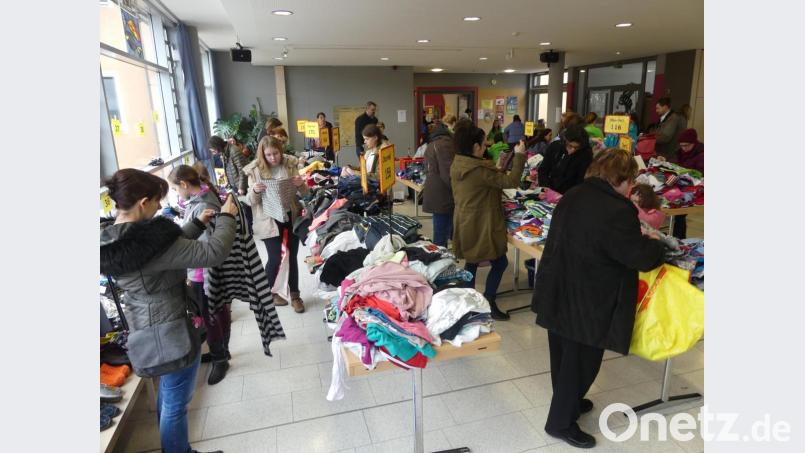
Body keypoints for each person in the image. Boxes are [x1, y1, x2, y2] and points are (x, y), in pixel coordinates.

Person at [531, 148, 666, 449]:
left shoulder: (573, 194)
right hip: (589, 298)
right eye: (630, 180)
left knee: (563, 356)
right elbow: (638, 257)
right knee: (582, 362)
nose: (631, 186)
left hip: (559, 288)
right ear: (621, 178)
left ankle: (570, 401)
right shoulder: (617, 210)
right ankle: (560, 423)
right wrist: (655, 244)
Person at [100, 168, 237, 453]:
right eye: (157, 200)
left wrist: (196, 225)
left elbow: (159, 251)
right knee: (176, 403)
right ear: (143, 202)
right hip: (172, 334)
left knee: (169, 394)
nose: (160, 206)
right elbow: (213, 253)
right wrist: (227, 217)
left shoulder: (114, 241)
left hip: (148, 328)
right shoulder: (146, 243)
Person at [451, 119, 527, 321]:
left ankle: (469, 304)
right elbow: (512, 181)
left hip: (467, 221)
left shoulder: (459, 162)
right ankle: (488, 301)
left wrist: (497, 169)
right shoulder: (479, 170)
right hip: (482, 223)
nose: (486, 147)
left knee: (472, 262)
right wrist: (520, 156)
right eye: (484, 144)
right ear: (475, 146)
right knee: (500, 262)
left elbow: (484, 182)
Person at [168, 165, 232, 385]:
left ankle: (220, 358)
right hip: (207, 269)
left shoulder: (202, 204)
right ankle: (221, 351)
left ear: (184, 184)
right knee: (217, 311)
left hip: (202, 272)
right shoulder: (204, 197)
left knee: (210, 315)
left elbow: (202, 247)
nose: (177, 193)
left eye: (176, 189)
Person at [243, 137, 309, 313]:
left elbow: (305, 193)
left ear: (281, 151)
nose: (273, 158)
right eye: (268, 155)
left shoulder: (290, 164)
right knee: (274, 258)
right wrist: (255, 191)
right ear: (262, 155)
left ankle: (295, 296)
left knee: (292, 256)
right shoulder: (254, 170)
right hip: (268, 219)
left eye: (276, 153)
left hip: (291, 216)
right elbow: (250, 201)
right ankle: (267, 295)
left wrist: (301, 184)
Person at [423, 118, 456, 247]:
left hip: (436, 193)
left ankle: (442, 254)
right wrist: (458, 191)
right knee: (441, 234)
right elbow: (447, 174)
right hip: (443, 195)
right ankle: (441, 256)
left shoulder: (432, 144)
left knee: (441, 230)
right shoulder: (446, 145)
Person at [537, 124, 594, 194]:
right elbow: (543, 170)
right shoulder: (555, 147)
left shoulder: (586, 154)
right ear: (564, 140)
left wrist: (569, 196)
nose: (572, 150)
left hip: (571, 194)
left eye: (576, 147)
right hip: (550, 190)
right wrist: (546, 188)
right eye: (570, 145)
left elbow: (582, 180)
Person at [671, 128, 704, 239]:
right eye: (681, 146)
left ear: (694, 143)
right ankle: (678, 238)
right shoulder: (680, 152)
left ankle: (679, 238)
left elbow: (701, 174)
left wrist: (686, 173)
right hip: (679, 186)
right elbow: (674, 165)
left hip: (693, 189)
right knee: (678, 216)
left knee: (679, 215)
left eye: (686, 145)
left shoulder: (701, 155)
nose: (684, 148)